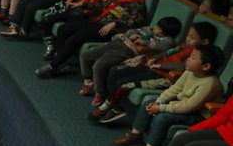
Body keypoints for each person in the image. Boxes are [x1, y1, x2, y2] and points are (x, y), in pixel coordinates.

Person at [113, 44, 224, 146]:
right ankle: (135, 136)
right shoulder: (190, 72)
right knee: (149, 103)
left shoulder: (210, 84)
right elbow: (176, 89)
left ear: (206, 66)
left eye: (193, 57)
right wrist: (159, 101)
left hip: (199, 115)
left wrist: (162, 108)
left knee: (162, 117)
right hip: (182, 105)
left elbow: (190, 106)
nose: (188, 59)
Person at [90, 22, 218, 123]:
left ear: (205, 42)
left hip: (165, 76)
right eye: (188, 35)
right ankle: (112, 101)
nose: (188, 39)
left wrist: (160, 65)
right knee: (115, 72)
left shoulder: (196, 54)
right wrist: (154, 58)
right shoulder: (185, 45)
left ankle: (111, 108)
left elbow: (182, 66)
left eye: (192, 37)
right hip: (154, 67)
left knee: (123, 84)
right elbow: (168, 52)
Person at [35, 0, 148, 78]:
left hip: (107, 31)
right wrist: (83, 4)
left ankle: (53, 65)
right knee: (63, 29)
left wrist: (116, 23)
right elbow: (101, 5)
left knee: (74, 39)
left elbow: (136, 21)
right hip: (97, 22)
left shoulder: (137, 5)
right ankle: (60, 60)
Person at [77, 16, 181, 99]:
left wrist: (143, 42)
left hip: (129, 50)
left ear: (163, 32)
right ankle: (88, 82)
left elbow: (159, 46)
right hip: (120, 42)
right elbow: (132, 30)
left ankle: (100, 93)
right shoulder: (149, 29)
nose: (155, 28)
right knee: (85, 56)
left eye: (158, 28)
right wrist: (132, 34)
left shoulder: (168, 41)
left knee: (99, 65)